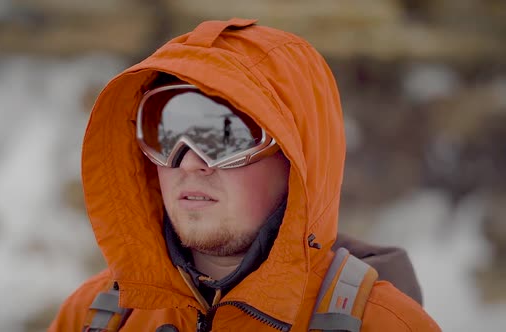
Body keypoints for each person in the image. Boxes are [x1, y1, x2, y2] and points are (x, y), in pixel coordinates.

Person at [49, 18, 440, 331]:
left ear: (295, 156)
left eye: (225, 136)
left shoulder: (387, 325)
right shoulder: (95, 316)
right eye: (166, 133)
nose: (187, 162)